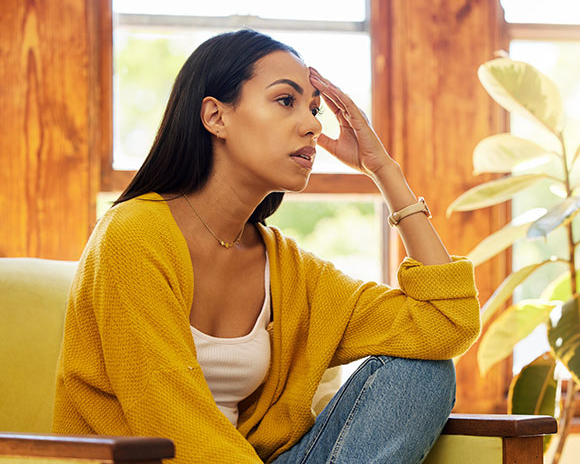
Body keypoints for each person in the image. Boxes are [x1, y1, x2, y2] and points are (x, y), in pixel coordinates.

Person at [52, 29, 481, 463]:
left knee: (424, 373)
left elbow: (448, 323)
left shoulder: (288, 270)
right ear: (216, 116)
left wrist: (383, 170)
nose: (313, 124)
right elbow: (169, 419)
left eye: (314, 109)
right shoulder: (132, 235)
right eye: (285, 101)